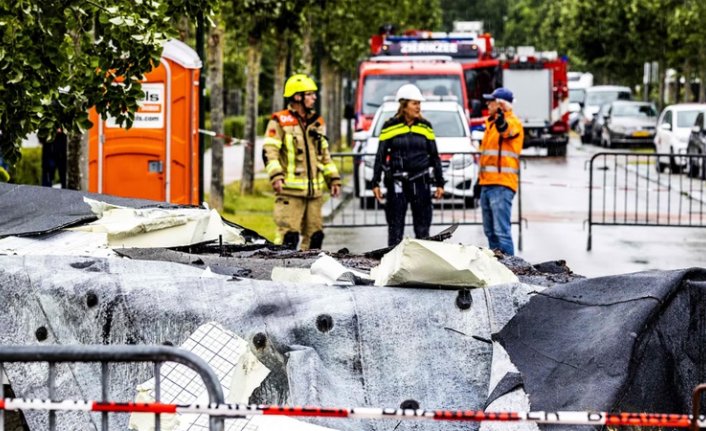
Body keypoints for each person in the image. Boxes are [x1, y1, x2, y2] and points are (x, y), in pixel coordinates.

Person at [262, 74, 341, 250]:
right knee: (288, 238)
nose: (314, 97)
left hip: (314, 193)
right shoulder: (280, 121)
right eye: (310, 94)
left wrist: (333, 179)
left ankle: (308, 274)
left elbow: (324, 155)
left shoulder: (316, 122)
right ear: (297, 96)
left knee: (315, 237)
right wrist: (276, 176)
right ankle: (280, 272)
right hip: (290, 193)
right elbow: (270, 151)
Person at [371, 83, 445, 247]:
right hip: (397, 183)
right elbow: (380, 156)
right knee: (395, 229)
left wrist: (440, 182)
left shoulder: (426, 126)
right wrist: (375, 182)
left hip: (421, 182)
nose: (418, 107)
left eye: (419, 103)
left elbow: (434, 156)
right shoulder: (389, 126)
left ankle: (423, 265)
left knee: (423, 230)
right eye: (414, 103)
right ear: (404, 105)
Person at [478, 87, 524, 255]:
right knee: (490, 232)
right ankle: (496, 266)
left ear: (501, 105)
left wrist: (501, 120)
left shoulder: (512, 122)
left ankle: (511, 270)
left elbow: (506, 131)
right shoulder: (490, 124)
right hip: (487, 183)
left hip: (502, 184)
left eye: (492, 101)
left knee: (501, 233)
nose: (487, 104)